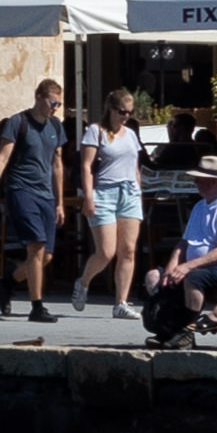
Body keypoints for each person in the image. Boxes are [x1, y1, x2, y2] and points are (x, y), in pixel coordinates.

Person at [0, 79, 75, 320]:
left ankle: (9, 282)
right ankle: (37, 306)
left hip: (47, 194)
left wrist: (60, 202)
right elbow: (2, 159)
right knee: (36, 246)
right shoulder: (18, 122)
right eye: (52, 103)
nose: (55, 108)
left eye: (59, 104)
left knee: (46, 256)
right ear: (39, 97)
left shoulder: (56, 126)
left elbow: (57, 164)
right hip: (22, 190)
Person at [150, 155, 217, 338]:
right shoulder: (199, 206)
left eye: (201, 179)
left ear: (215, 182)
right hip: (193, 265)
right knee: (154, 277)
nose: (196, 182)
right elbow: (185, 242)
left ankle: (185, 332)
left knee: (193, 278)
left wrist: (187, 267)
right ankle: (165, 327)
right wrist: (173, 264)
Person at [69, 84, 147, 313]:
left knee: (128, 250)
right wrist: (88, 197)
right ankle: (83, 282)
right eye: (122, 111)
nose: (126, 116)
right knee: (106, 251)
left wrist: (138, 190)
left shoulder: (130, 134)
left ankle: (121, 302)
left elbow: (135, 165)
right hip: (104, 192)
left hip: (129, 192)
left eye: (130, 112)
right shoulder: (96, 131)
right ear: (111, 109)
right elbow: (86, 166)